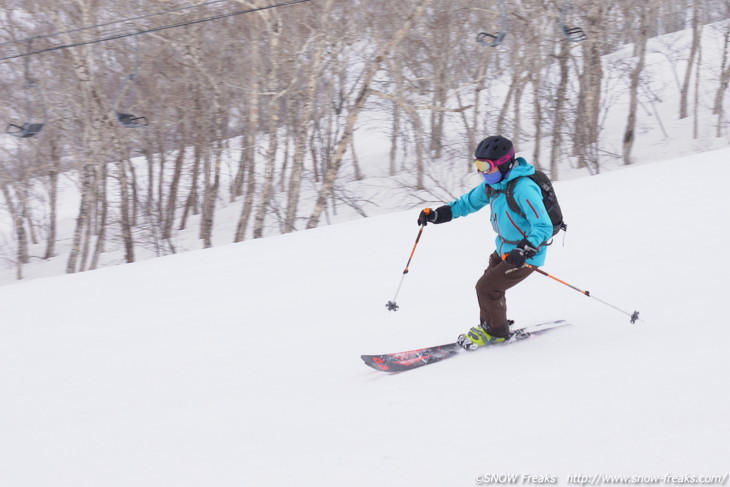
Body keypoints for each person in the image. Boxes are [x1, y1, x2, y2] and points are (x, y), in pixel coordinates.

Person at [417, 135, 554, 351]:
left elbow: (543, 226)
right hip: (504, 248)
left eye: (485, 166)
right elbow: (466, 203)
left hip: (526, 253)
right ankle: (494, 322)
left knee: (486, 287)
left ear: (503, 164)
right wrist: (437, 214)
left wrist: (524, 249)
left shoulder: (523, 188)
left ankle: (496, 332)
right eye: (477, 165)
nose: (481, 172)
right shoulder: (494, 185)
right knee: (491, 286)